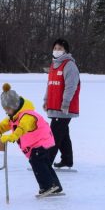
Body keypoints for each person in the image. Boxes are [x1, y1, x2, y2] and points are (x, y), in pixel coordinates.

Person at [0, 83, 62, 197]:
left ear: (14, 106)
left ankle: (47, 187)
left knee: (37, 163)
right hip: (38, 143)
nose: (6, 112)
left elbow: (23, 128)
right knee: (44, 164)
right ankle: (55, 185)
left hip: (41, 142)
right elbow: (3, 125)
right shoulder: (14, 116)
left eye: (7, 109)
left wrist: (13, 136)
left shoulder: (27, 115)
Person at [43, 38, 80, 169]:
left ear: (66, 51)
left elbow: (71, 86)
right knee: (63, 134)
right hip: (54, 107)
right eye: (55, 48)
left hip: (64, 108)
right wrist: (46, 100)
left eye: (60, 49)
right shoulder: (53, 65)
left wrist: (65, 103)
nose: (57, 51)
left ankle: (46, 161)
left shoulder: (69, 65)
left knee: (54, 134)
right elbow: (50, 86)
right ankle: (67, 160)